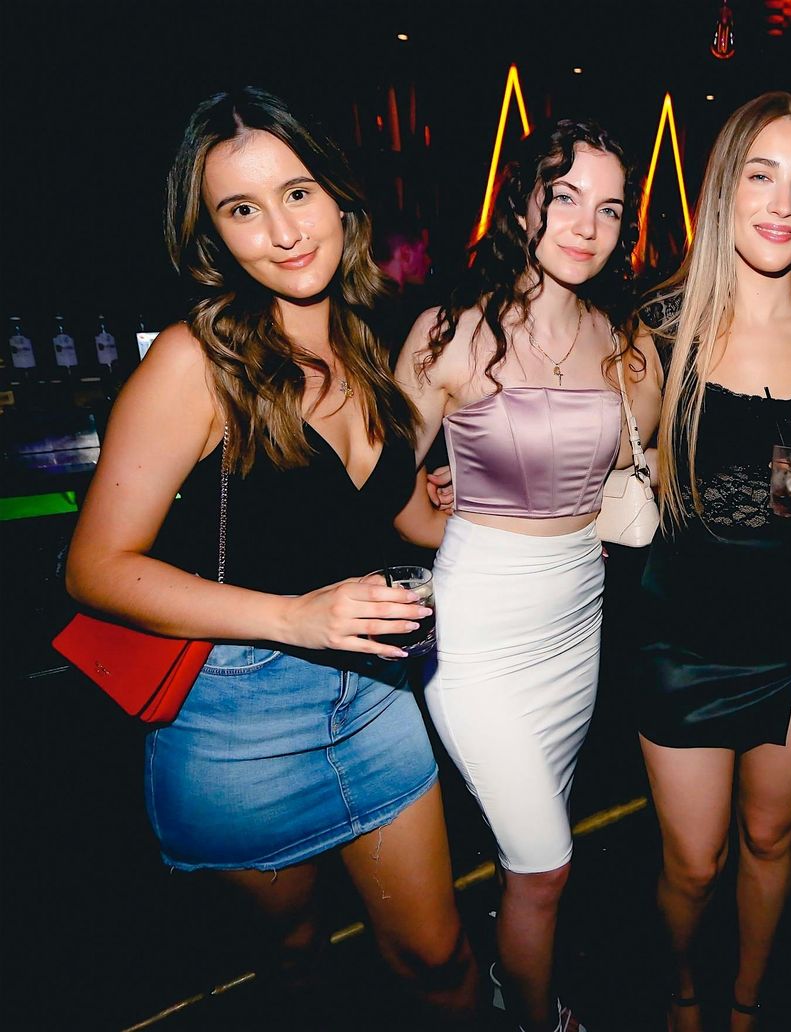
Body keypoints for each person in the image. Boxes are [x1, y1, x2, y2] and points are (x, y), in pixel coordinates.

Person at [63, 88, 476, 1024]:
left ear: (338, 198)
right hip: (240, 718)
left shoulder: (362, 345)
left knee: (439, 957)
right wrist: (294, 615)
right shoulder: (196, 361)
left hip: (376, 694)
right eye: (242, 209)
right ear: (213, 234)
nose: (284, 233)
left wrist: (509, 518)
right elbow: (95, 566)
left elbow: (403, 517)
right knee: (297, 970)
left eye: (297, 193)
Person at [395, 119, 660, 1032]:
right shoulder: (451, 333)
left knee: (533, 851)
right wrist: (445, 520)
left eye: (610, 209)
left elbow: (644, 465)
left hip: (578, 619)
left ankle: (518, 986)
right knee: (546, 862)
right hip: (477, 631)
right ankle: (540, 1021)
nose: (588, 225)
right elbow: (379, 485)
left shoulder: (622, 341)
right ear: (522, 205)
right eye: (565, 197)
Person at [636, 92, 791, 1031]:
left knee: (771, 838)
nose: (783, 203)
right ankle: (679, 993)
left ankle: (745, 1006)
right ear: (723, 189)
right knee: (694, 862)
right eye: (761, 175)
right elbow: (605, 452)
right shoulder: (663, 327)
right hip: (684, 634)